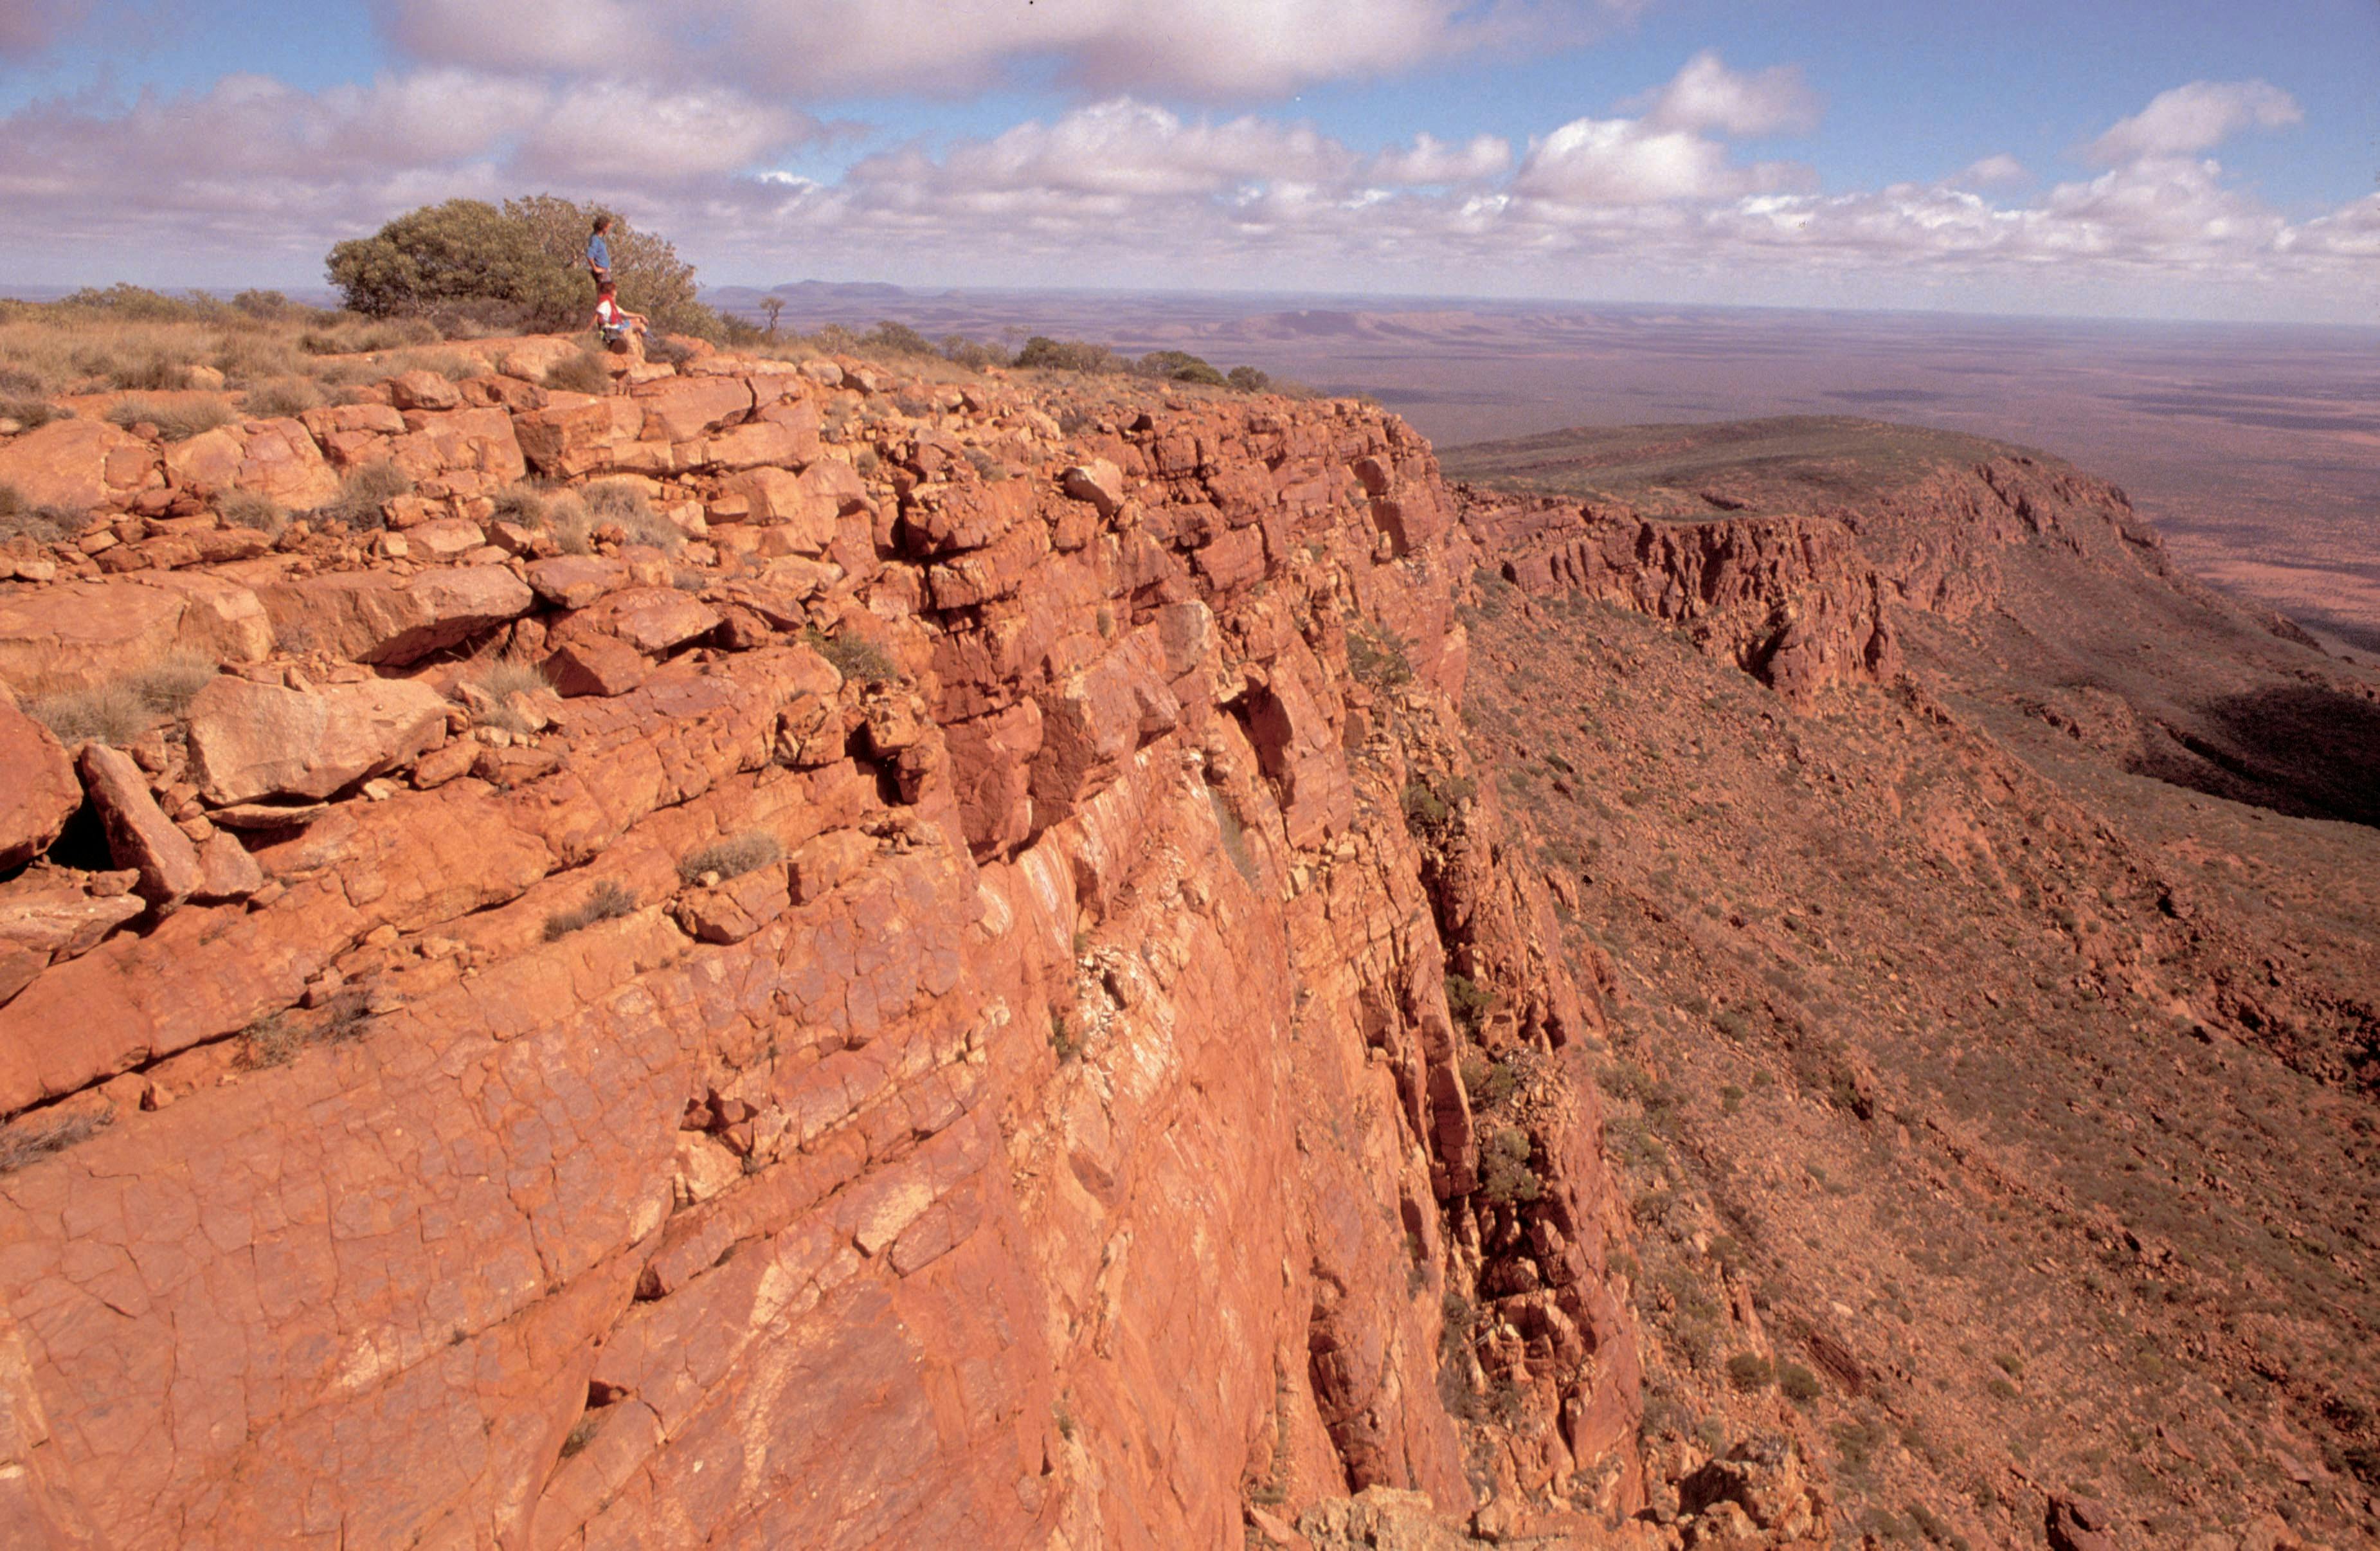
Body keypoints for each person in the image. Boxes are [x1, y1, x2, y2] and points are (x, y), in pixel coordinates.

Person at [592, 283, 648, 353]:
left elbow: (625, 314)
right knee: (641, 326)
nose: (616, 293)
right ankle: (649, 344)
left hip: (616, 327)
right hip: (611, 330)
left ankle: (642, 345)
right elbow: (597, 318)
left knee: (638, 320)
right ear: (609, 293)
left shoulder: (612, 305)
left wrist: (640, 316)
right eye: (614, 291)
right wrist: (589, 330)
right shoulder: (604, 304)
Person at [586, 215, 613, 287]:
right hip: (602, 273)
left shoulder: (600, 238)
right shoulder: (595, 239)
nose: (609, 230)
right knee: (606, 294)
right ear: (603, 227)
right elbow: (590, 255)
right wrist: (595, 269)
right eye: (608, 228)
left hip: (605, 271)